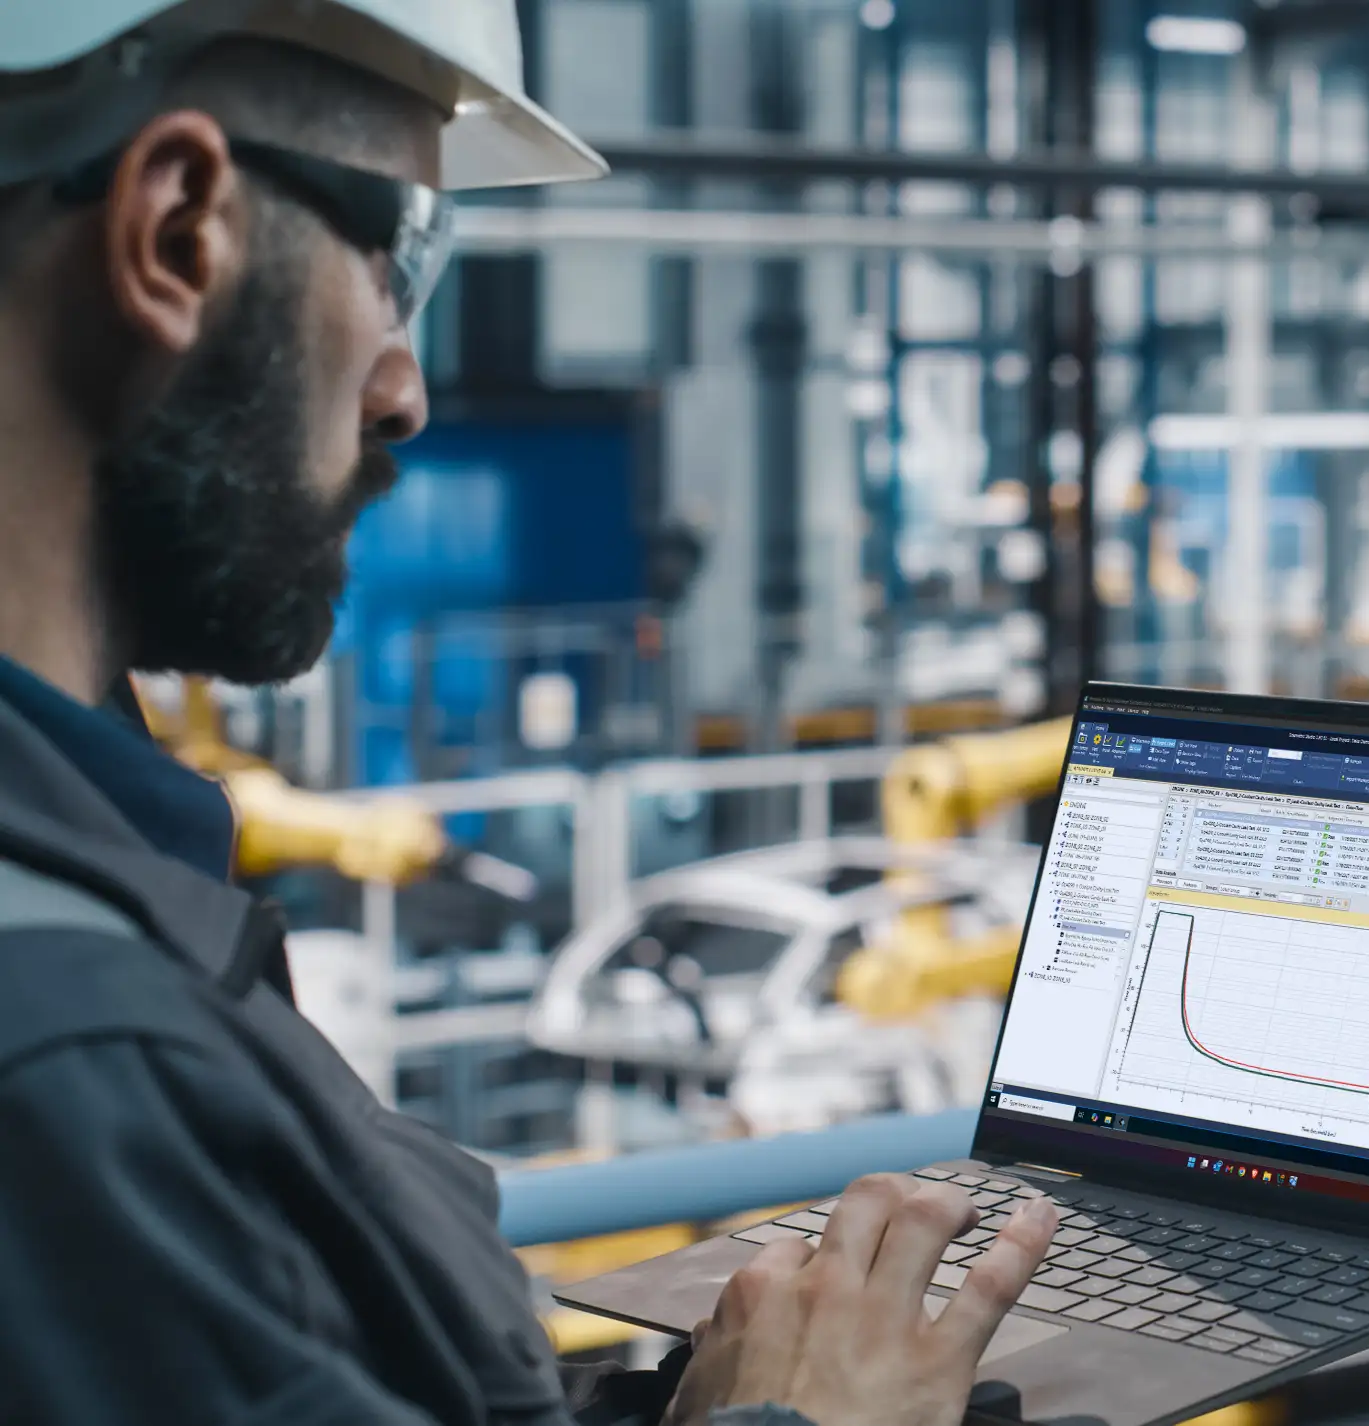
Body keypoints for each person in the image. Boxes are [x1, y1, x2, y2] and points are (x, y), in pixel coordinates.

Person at [0, 5, 1056, 1425]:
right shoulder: (75, 1067)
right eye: (396, 262)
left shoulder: (103, 871)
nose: (407, 392)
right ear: (179, 231)